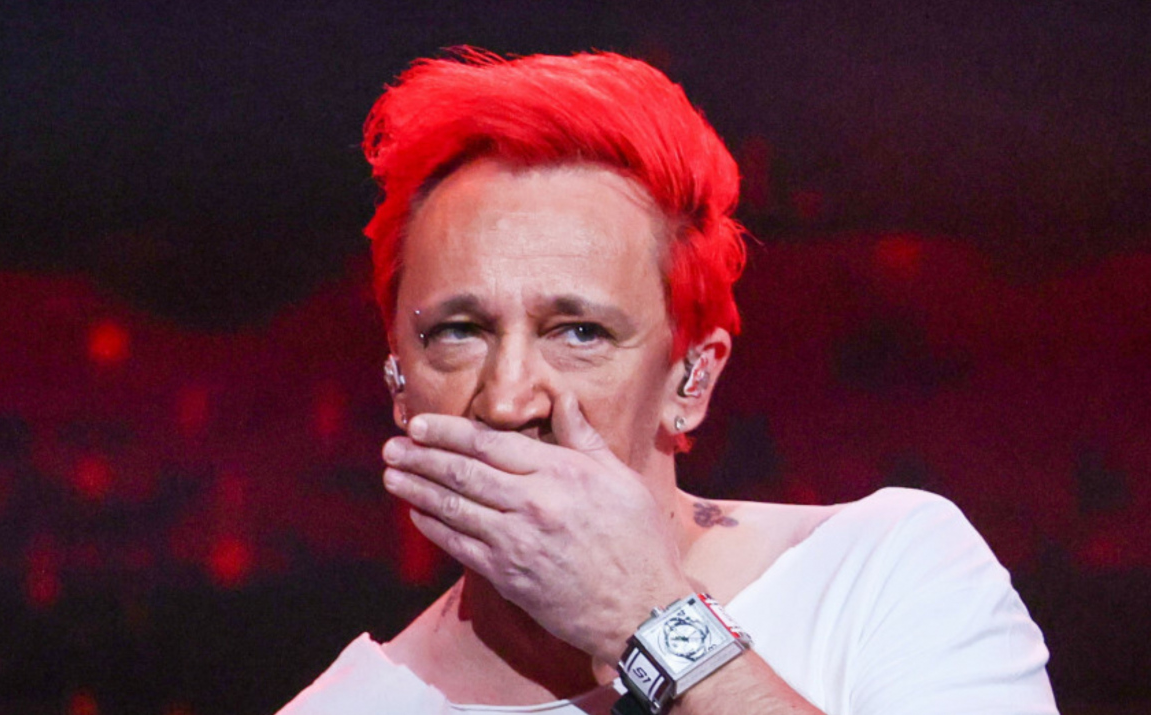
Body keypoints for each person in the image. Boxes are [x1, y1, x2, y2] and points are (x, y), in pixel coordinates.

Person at [277, 49, 1057, 715]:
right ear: (398, 379)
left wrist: (649, 620)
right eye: (458, 330)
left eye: (580, 331)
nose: (509, 400)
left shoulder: (885, 573)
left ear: (692, 377)